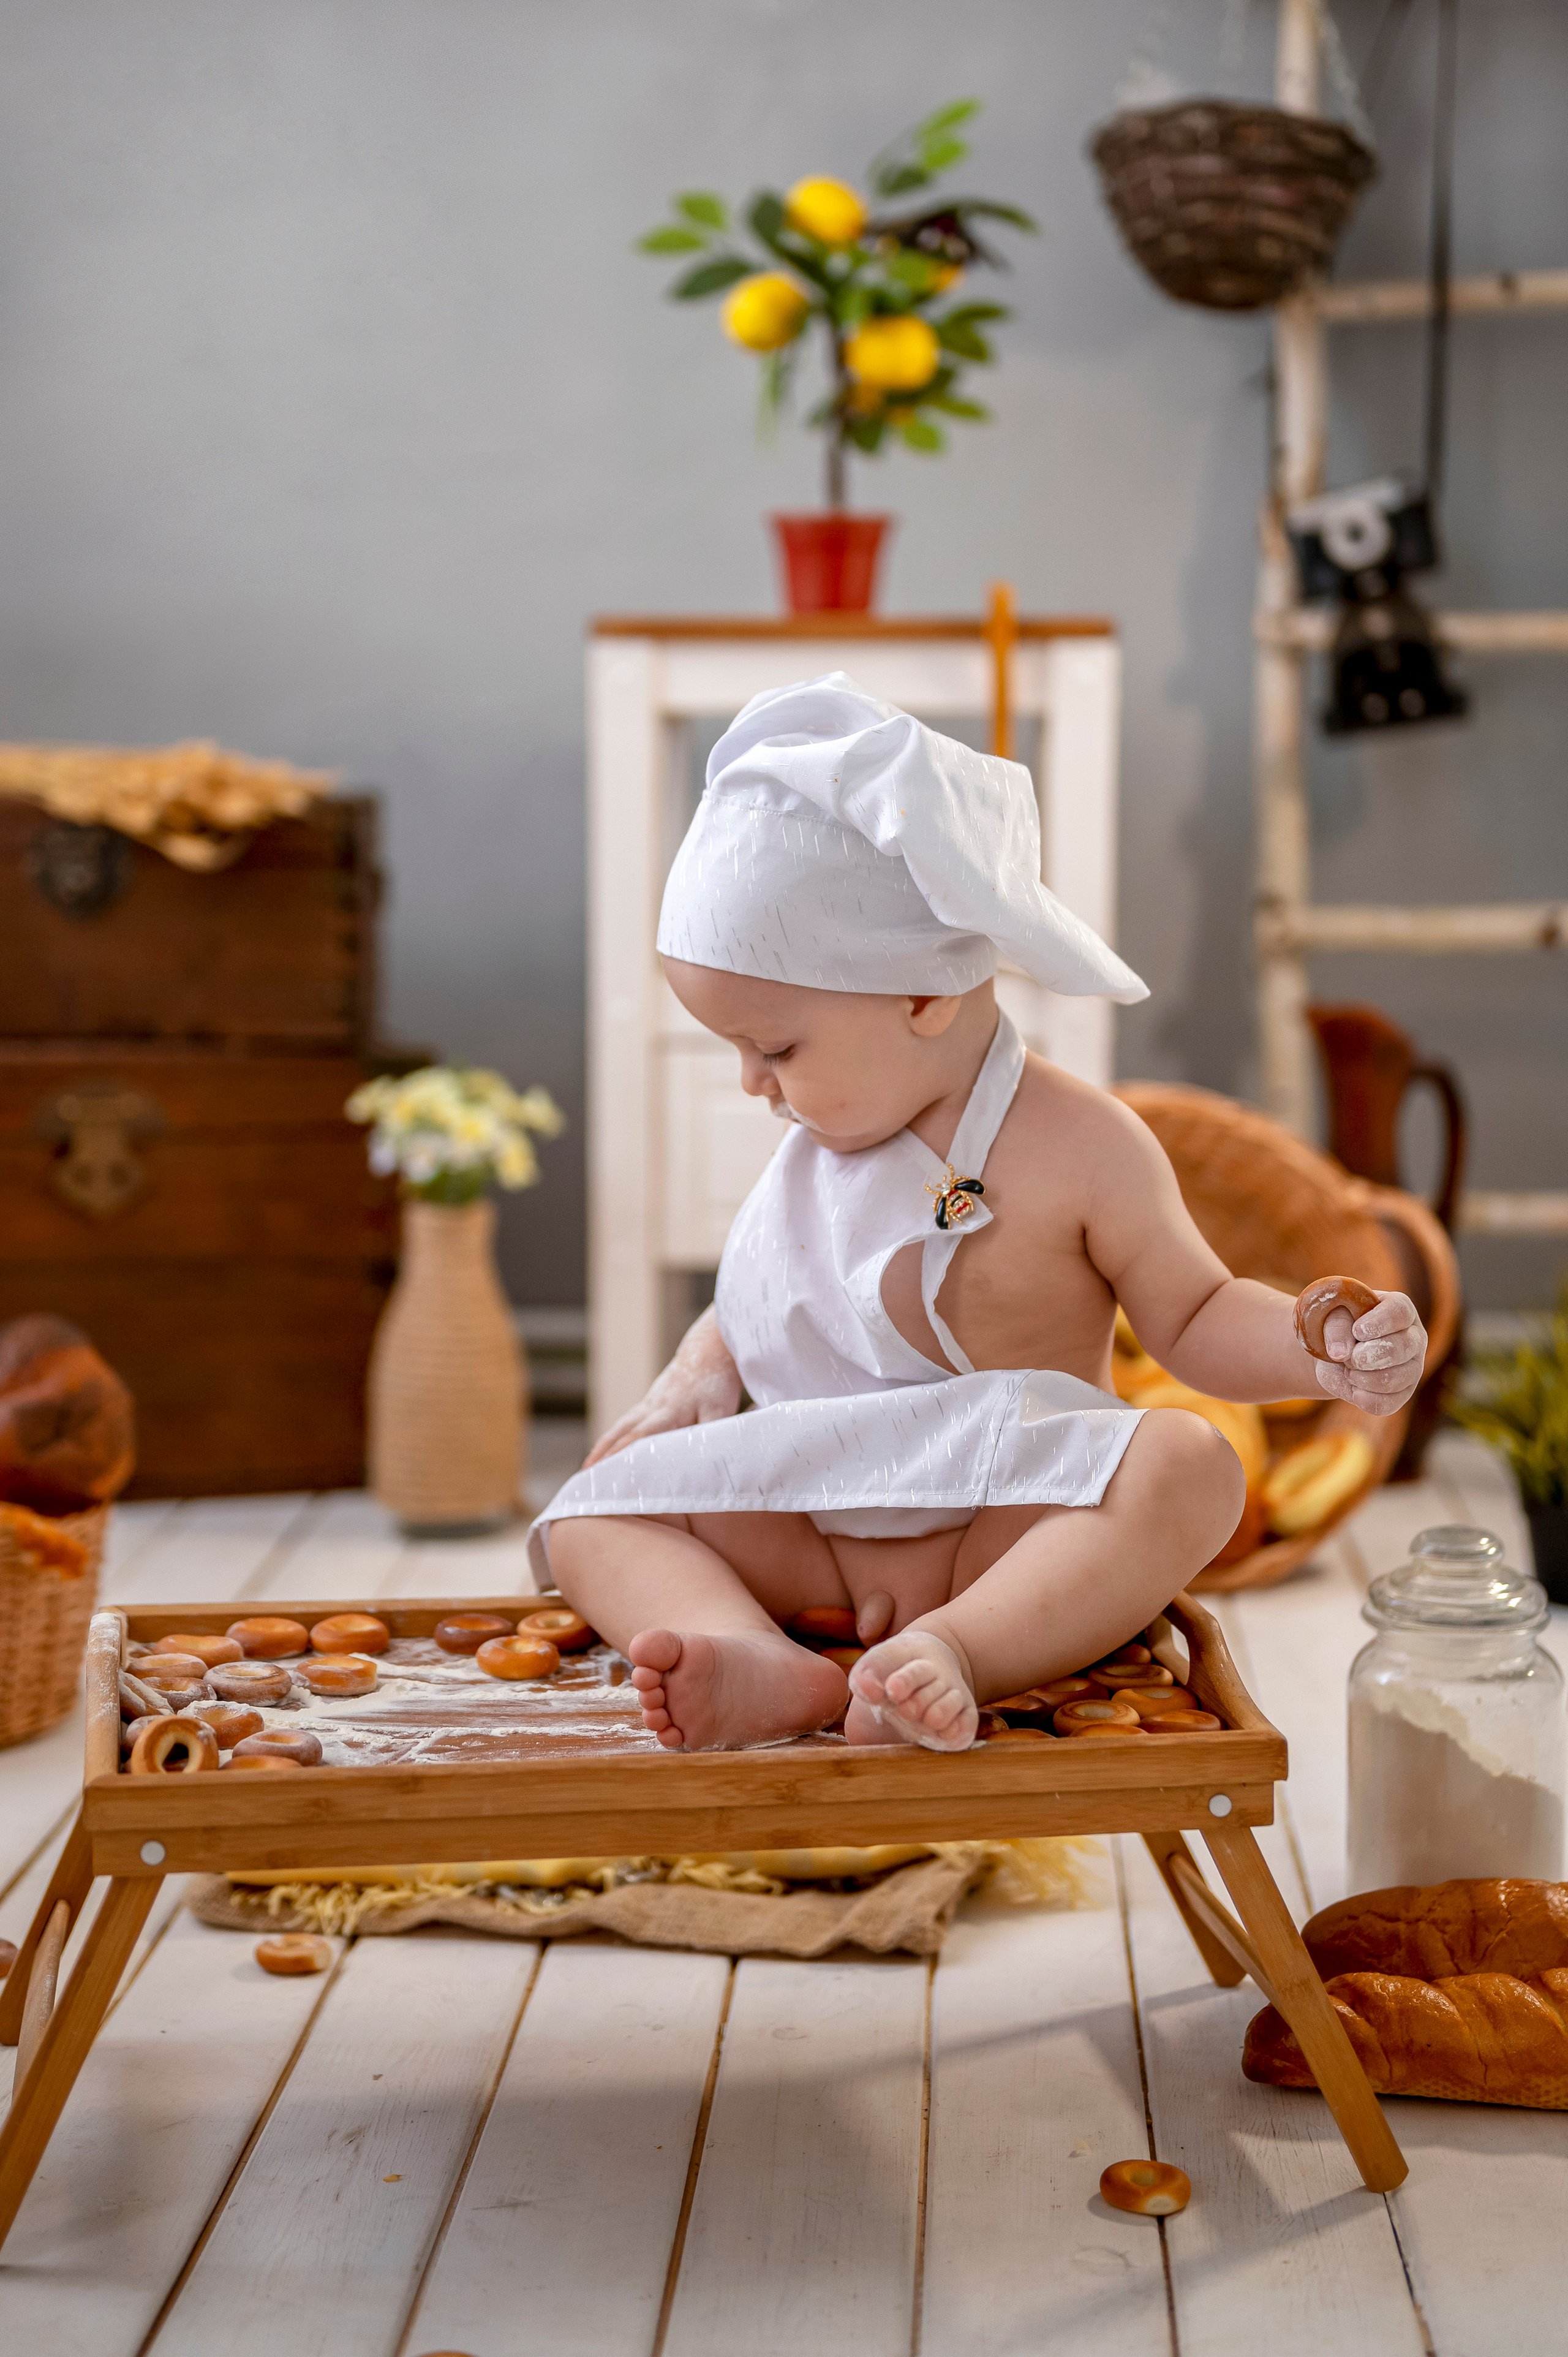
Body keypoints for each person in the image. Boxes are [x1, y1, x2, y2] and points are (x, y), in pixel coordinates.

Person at [533, 675, 1427, 1753]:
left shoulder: (1083, 1148)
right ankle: (749, 1654)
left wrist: (1311, 1340)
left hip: (1005, 1535)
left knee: (1189, 1467)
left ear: (924, 998)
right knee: (591, 1511)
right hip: (813, 1524)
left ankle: (958, 1649)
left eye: (774, 1049)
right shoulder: (820, 1145)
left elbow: (1193, 1316)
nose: (752, 1086)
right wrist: (695, 1377)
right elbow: (774, 1301)